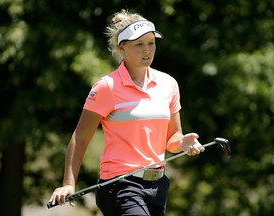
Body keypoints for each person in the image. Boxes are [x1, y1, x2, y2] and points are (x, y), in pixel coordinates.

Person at [49, 9, 205, 216]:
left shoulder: (168, 84)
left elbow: (172, 138)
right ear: (122, 48)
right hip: (120, 186)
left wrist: (183, 142)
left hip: (158, 185)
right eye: (138, 44)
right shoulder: (107, 87)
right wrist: (69, 183)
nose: (147, 50)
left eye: (151, 42)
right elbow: (81, 137)